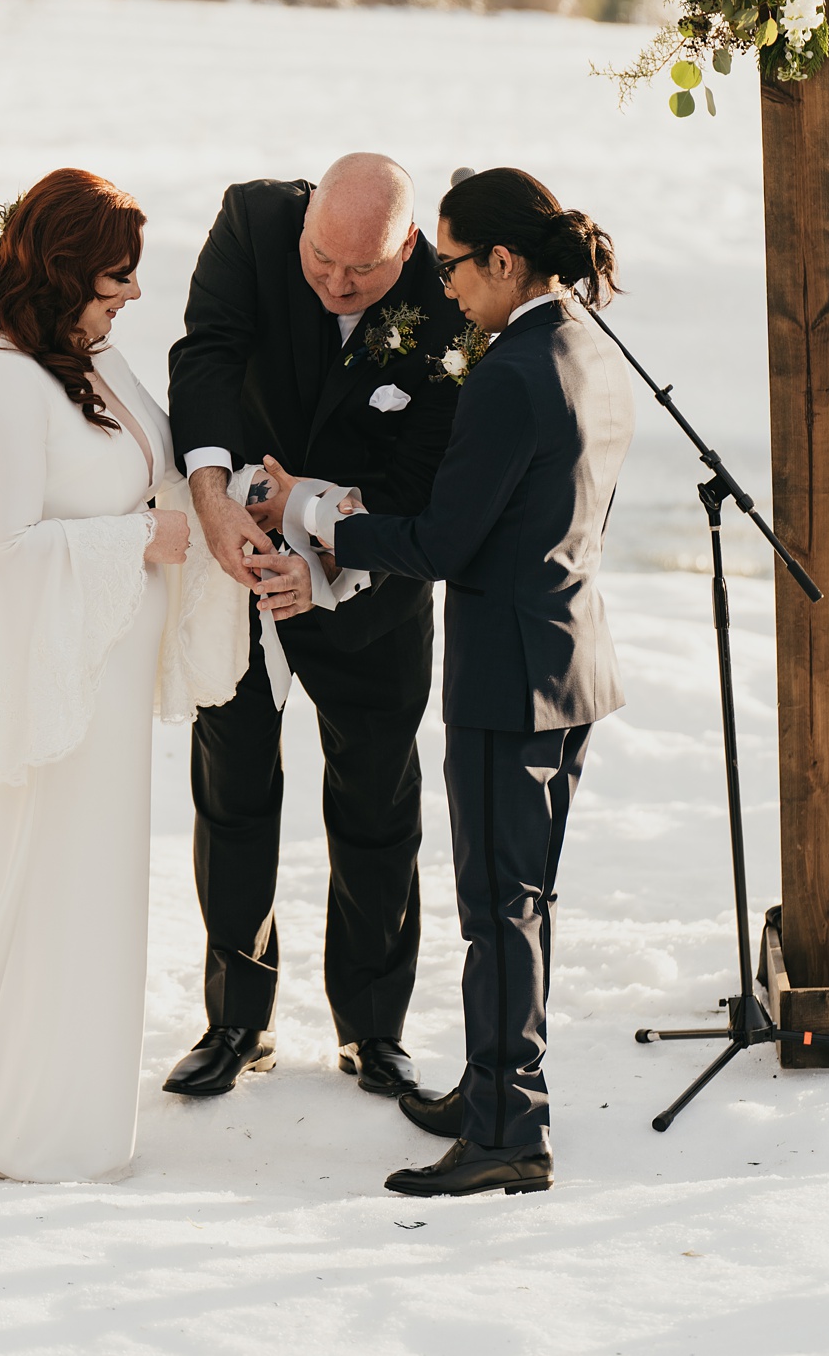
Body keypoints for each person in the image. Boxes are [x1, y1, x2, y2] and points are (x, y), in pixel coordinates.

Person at [311, 166, 634, 1198]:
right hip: (570, 656)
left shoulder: (507, 372)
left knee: (497, 907)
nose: (441, 283)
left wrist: (321, 520)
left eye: (450, 263)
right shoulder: (589, 344)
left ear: (503, 262)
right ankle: (496, 1082)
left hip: (505, 673)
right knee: (521, 900)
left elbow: (447, 541)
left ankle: (507, 1130)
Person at [0, 169, 190, 1182]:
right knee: (47, 899)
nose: (134, 296)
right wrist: (141, 540)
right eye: (117, 278)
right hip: (42, 698)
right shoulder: (8, 380)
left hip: (96, 686)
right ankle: (37, 1134)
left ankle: (70, 1110)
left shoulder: (84, 357)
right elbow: (9, 548)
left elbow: (155, 461)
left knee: (94, 894)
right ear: (63, 271)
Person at [163, 154, 467, 1100]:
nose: (336, 284)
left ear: (407, 246)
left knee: (377, 803)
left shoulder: (450, 298)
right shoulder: (253, 224)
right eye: (321, 260)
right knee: (234, 788)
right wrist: (211, 499)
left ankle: (373, 1031)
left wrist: (329, 558)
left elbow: (430, 474)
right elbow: (205, 351)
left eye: (362, 272)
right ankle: (236, 1023)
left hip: (374, 589)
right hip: (235, 566)